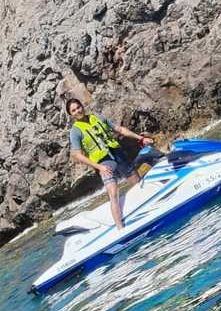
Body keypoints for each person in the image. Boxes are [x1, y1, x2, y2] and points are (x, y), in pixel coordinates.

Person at [66, 96, 156, 230]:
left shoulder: (98, 118)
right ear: (71, 115)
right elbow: (78, 155)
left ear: (82, 106)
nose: (78, 111)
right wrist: (99, 167)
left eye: (78, 107)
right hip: (104, 163)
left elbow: (120, 130)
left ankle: (151, 207)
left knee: (137, 182)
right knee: (113, 194)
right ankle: (120, 228)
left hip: (118, 155)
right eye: (73, 110)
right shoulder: (75, 131)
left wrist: (141, 139)